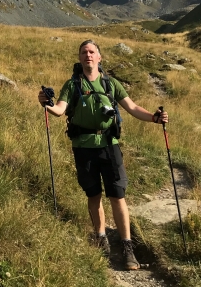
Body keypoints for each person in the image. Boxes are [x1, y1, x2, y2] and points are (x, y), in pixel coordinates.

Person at [37, 39, 168, 270]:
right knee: (94, 194)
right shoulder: (72, 84)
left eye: (92, 52)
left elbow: (133, 108)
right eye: (84, 52)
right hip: (83, 146)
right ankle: (101, 237)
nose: (88, 55)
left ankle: (127, 246)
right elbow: (59, 109)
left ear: (99, 57)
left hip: (109, 144)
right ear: (80, 58)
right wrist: (46, 105)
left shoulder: (111, 84)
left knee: (117, 195)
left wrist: (154, 118)